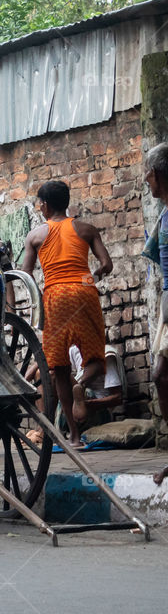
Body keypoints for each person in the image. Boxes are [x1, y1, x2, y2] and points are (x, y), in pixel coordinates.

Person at [22, 180, 113, 448]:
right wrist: (95, 274)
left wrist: (41, 295)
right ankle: (83, 383)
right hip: (84, 292)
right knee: (96, 357)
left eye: (40, 203)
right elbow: (107, 264)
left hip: (56, 297)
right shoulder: (86, 229)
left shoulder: (36, 235)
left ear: (45, 205)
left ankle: (73, 437)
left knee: (59, 368)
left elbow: (25, 275)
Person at [143, 143, 168, 484]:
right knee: (161, 375)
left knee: (162, 374)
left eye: (148, 175)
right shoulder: (163, 214)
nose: (146, 181)